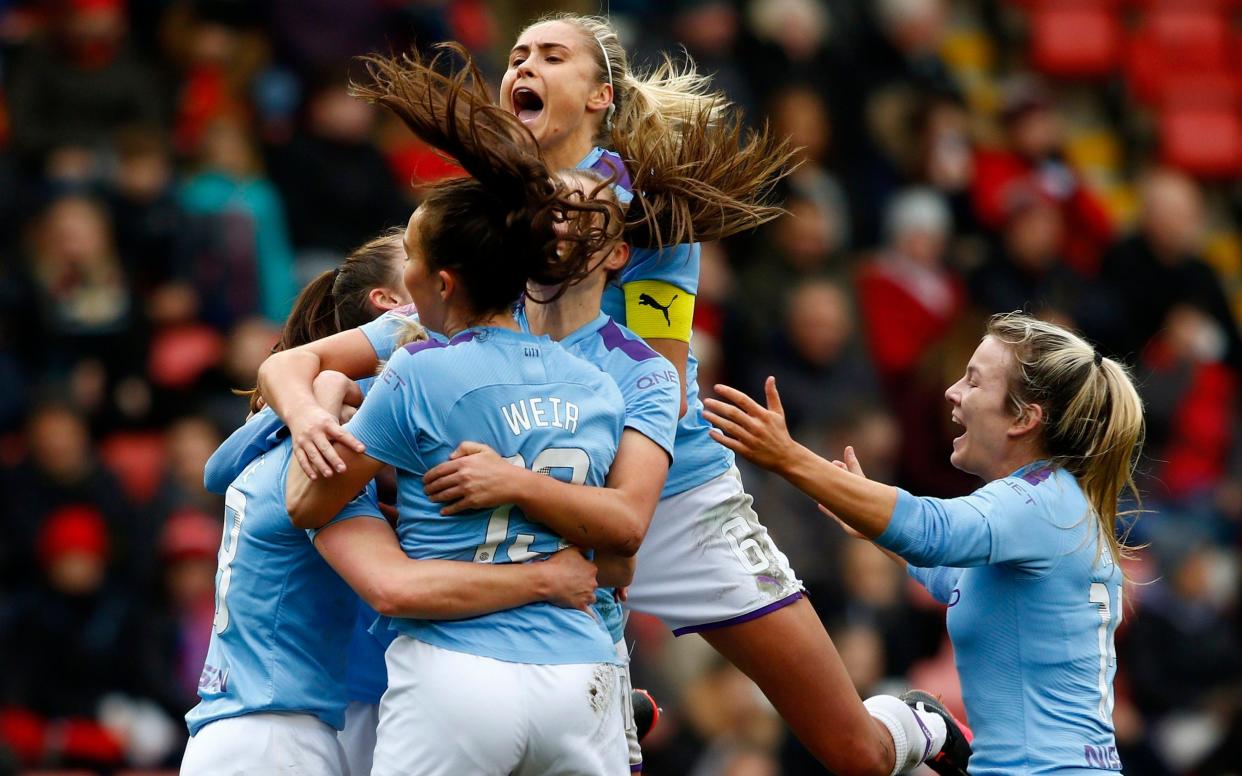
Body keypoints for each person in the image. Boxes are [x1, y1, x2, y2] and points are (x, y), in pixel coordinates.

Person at [270, 22, 971, 775]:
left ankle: (911, 725)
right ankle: (618, 709)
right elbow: (401, 339)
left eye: (550, 55)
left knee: (851, 754)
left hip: (668, 485)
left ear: (601, 96)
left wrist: (527, 436)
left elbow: (662, 387)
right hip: (542, 487)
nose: (524, 66)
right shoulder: (492, 208)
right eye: (515, 57)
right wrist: (334, 400)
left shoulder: (653, 213)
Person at [281, 52, 639, 776]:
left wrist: (322, 404)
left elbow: (307, 499)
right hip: (583, 674)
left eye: (408, 256)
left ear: (437, 280)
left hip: (458, 671)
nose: (404, 271)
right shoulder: (601, 386)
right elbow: (621, 551)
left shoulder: (418, 371)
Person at [181, 234, 601, 776]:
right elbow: (393, 587)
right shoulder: (327, 467)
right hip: (278, 737)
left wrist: (327, 392)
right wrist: (546, 579)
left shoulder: (280, 439)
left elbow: (218, 468)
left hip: (247, 728)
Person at [704, 311, 1146, 774]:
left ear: (1024, 418)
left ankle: (930, 733)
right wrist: (872, 524)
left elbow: (931, 531)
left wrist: (789, 457)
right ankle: (935, 733)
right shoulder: (1054, 504)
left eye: (974, 383)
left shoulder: (1035, 503)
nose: (953, 392)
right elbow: (954, 578)